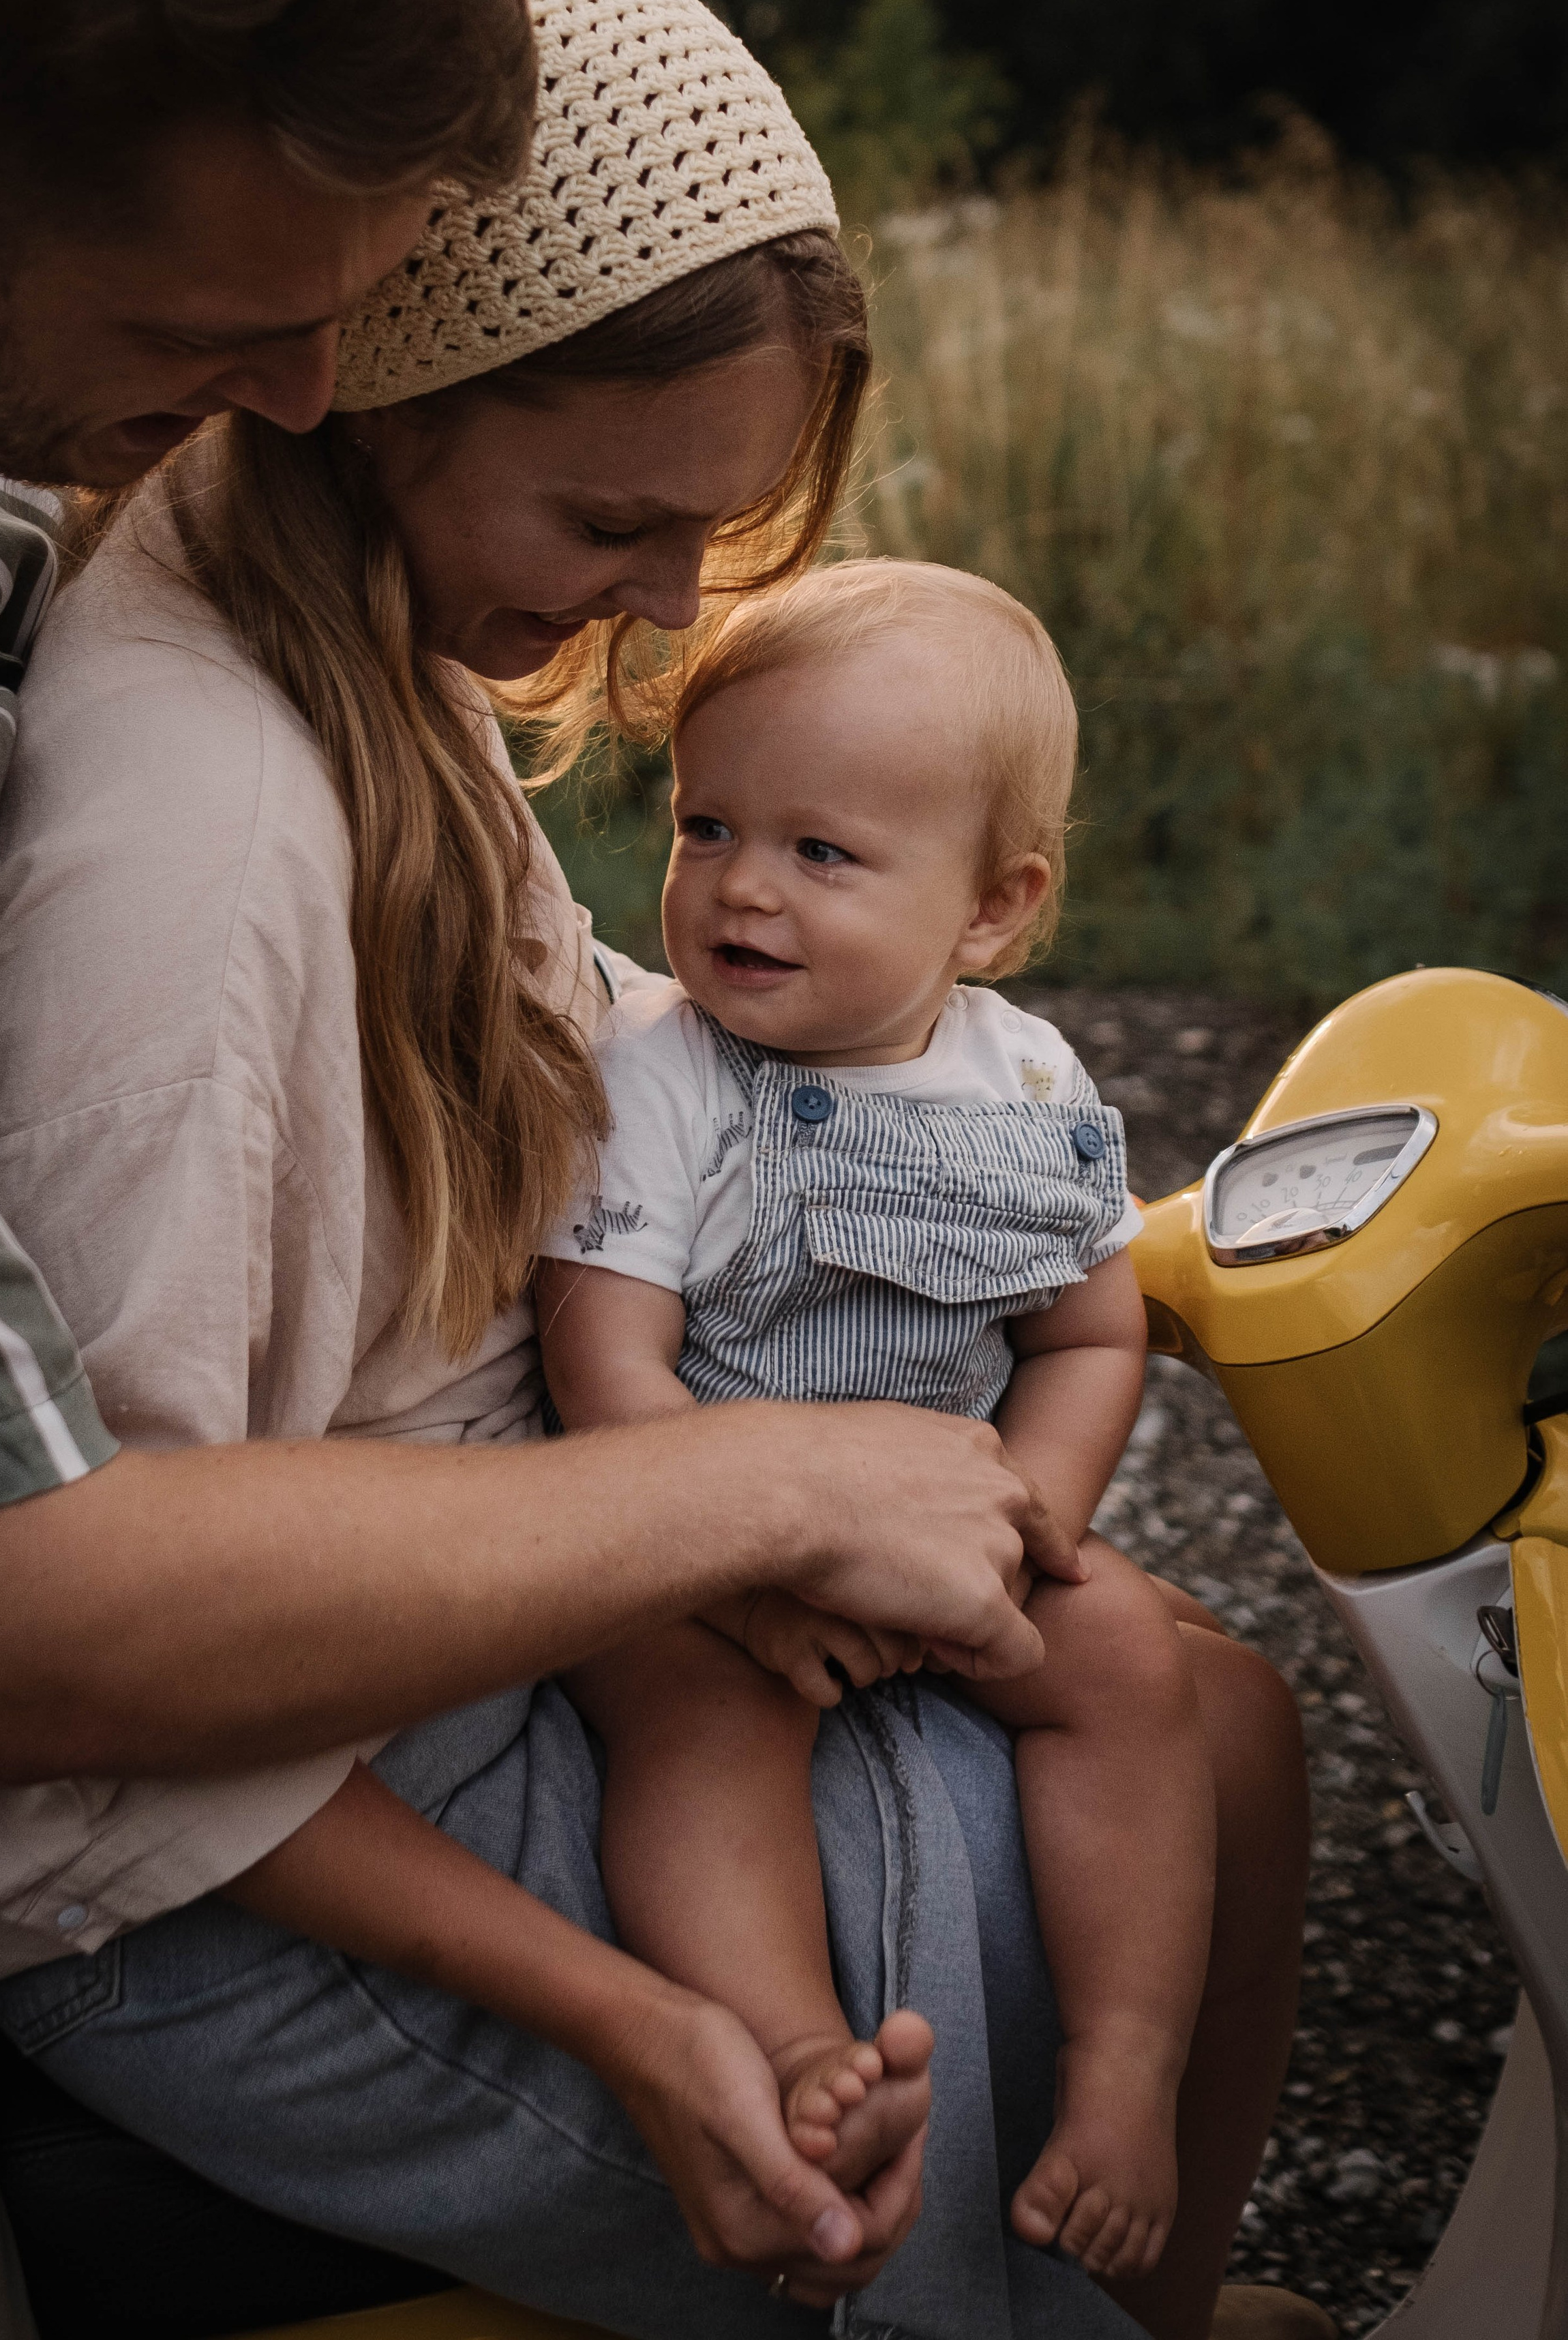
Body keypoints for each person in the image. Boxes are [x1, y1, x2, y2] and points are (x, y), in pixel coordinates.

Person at [0, 0, 1091, 2336]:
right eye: (228, 330)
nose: (291, 386)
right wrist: (764, 1488)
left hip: (264, 1712)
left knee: (1163, 1735)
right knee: (983, 1963)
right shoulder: (184, 827)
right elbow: (30, 1637)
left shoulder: (134, 550)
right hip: (147, 1842)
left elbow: (572, 1043)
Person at [538, 558, 1218, 2283]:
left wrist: (1034, 1519)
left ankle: (1121, 2077)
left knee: (1134, 1669)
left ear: (988, 911)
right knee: (689, 1719)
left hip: (941, 1533)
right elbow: (604, 1363)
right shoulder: (661, 1070)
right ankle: (784, 2050)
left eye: (819, 854)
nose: (738, 890)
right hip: (700, 1549)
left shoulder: (1028, 1083)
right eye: (706, 830)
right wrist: (744, 1574)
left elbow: (1088, 1328)